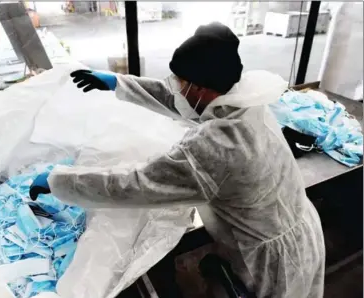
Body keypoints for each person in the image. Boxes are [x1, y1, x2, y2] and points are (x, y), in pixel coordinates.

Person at [30, 22, 325, 298]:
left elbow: (135, 185)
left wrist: (60, 181)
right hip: (301, 226)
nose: (175, 87)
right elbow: (180, 102)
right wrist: (119, 83)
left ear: (199, 87)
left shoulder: (218, 146)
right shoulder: (243, 101)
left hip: (271, 263)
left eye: (180, 82)